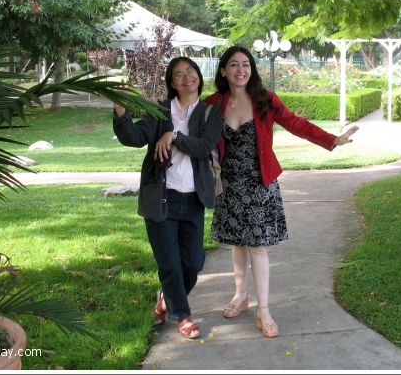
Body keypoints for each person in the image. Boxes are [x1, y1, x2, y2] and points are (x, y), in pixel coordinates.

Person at [205, 46, 359, 338]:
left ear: (251, 69)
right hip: (230, 186)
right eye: (234, 65)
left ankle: (264, 309)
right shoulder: (213, 103)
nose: (241, 70)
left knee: (258, 246)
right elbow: (186, 116)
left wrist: (333, 140)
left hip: (261, 184)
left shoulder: (265, 100)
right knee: (237, 243)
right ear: (223, 70)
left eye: (246, 64)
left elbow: (296, 124)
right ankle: (240, 295)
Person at [113, 57, 223, 339]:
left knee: (194, 264)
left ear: (198, 75)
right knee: (170, 264)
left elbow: (203, 147)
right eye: (178, 74)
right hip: (161, 197)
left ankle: (166, 300)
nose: (186, 77)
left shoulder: (211, 113)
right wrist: (120, 107)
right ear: (172, 83)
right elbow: (134, 137)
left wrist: (172, 136)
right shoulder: (161, 110)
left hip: (193, 200)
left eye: (190, 71)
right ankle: (182, 316)